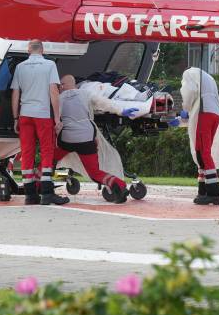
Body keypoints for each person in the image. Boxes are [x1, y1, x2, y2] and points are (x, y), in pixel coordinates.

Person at [54, 75, 139, 203]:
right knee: (94, 172)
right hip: (87, 138)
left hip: (67, 139)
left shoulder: (58, 98)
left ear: (62, 85)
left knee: (49, 161)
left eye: (60, 85)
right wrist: (122, 110)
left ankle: (39, 184)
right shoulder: (86, 94)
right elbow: (105, 103)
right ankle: (119, 185)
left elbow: (55, 119)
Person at [11, 39, 68, 205]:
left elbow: (16, 93)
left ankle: (30, 195)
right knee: (46, 150)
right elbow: (53, 92)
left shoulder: (20, 67)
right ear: (42, 50)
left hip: (24, 114)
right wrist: (57, 118)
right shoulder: (49, 65)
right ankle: (47, 193)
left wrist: (16, 117)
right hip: (42, 114)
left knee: (27, 152)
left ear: (29, 50)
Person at [170, 66, 219, 205]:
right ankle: (203, 191)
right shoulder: (207, 77)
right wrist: (183, 118)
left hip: (205, 112)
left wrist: (185, 109)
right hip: (215, 113)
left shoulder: (188, 73)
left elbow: (189, 93)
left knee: (202, 152)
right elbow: (196, 108)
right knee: (203, 154)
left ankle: (214, 193)